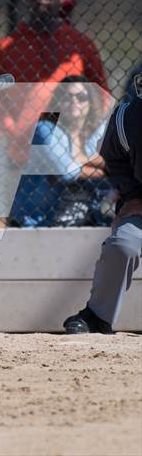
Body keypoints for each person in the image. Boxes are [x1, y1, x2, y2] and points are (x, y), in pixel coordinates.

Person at [0, 0, 109, 226]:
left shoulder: (79, 44)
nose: (41, 1)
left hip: (71, 150)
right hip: (25, 152)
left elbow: (102, 93)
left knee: (75, 218)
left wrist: (86, 134)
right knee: (30, 220)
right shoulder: (10, 45)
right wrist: (10, 128)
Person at [64, 76, 142, 333]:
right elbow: (114, 159)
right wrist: (132, 196)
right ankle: (98, 316)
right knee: (123, 244)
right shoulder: (129, 117)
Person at [10, 76, 110, 227]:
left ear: (91, 103)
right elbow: (67, 171)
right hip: (39, 221)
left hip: (87, 217)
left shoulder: (93, 136)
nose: (74, 102)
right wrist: (106, 170)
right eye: (67, 97)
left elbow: (113, 162)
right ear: (58, 101)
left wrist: (81, 160)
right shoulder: (45, 130)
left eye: (81, 97)